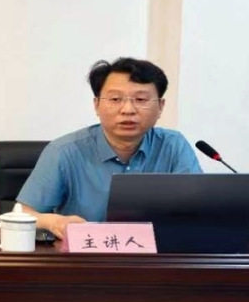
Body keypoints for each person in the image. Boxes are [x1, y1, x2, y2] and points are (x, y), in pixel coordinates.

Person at [17, 57, 202, 239]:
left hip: (159, 255)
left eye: (141, 99)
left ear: (160, 107)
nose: (128, 109)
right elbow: (22, 214)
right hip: (85, 255)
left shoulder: (173, 146)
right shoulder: (64, 152)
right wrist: (53, 222)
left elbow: (199, 209)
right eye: (115, 99)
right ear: (96, 105)